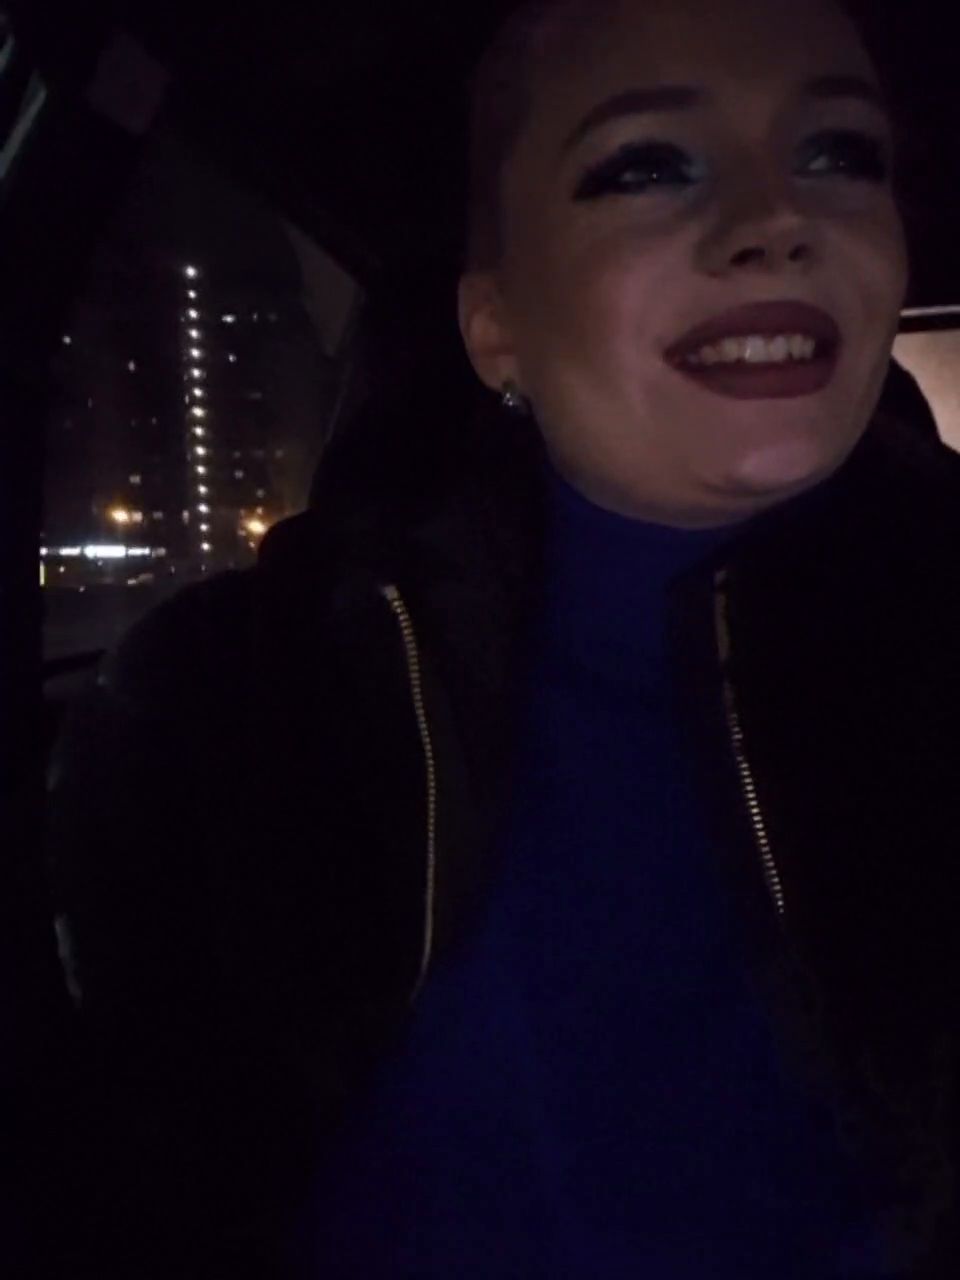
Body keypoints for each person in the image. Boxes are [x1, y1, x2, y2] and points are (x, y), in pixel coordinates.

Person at [46, 0, 960, 1275]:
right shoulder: (223, 708)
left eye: (840, 153)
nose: (777, 220)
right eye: (647, 165)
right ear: (495, 326)